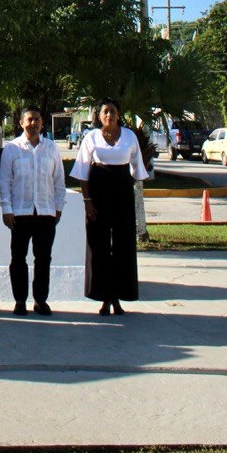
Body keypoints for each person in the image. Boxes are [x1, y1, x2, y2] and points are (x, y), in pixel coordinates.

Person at [70, 98, 150, 315]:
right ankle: (103, 297)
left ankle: (118, 297)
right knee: (99, 244)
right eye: (105, 112)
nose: (109, 115)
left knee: (123, 244)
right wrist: (87, 201)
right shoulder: (92, 137)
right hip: (98, 193)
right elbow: (82, 172)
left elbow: (137, 169)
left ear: (118, 114)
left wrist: (124, 185)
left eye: (112, 111)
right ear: (99, 115)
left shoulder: (130, 136)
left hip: (122, 194)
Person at [0, 106, 67, 316]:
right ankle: (20, 300)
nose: (33, 123)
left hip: (46, 213)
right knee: (18, 258)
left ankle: (40, 300)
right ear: (21, 123)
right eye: (29, 120)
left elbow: (58, 180)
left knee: (43, 258)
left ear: (42, 122)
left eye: (37, 119)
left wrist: (58, 207)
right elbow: (5, 181)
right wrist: (7, 209)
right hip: (20, 213)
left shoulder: (51, 148)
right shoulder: (12, 148)